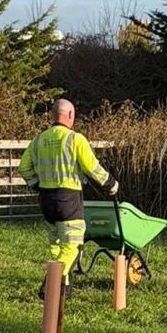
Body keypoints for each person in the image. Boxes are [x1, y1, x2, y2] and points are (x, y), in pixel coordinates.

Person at [18, 98, 118, 298]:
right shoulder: (75, 139)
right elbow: (92, 167)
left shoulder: (39, 140)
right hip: (68, 199)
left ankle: (65, 287)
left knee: (56, 245)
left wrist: (36, 184)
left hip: (46, 199)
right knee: (72, 245)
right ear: (70, 115)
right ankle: (52, 284)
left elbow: (23, 168)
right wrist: (110, 184)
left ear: (52, 116)